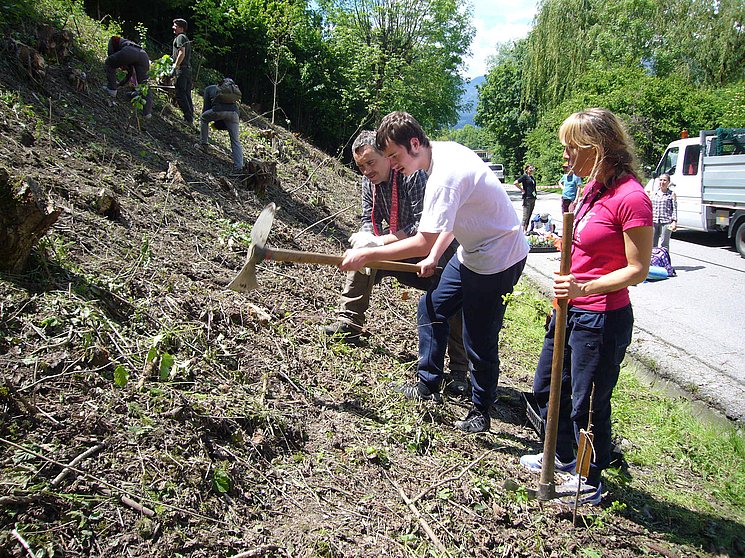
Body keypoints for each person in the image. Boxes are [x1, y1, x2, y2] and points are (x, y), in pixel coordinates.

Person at [340, 112, 529, 433]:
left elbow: (421, 239)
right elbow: (448, 222)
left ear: (414, 143)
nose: (392, 164)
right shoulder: (437, 154)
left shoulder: (444, 175)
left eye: (394, 156)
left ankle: (481, 409)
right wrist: (438, 255)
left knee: (479, 338)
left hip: (500, 257)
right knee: (431, 306)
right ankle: (428, 383)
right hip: (471, 250)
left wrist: (369, 253)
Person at [519, 108, 653, 505]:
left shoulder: (632, 197)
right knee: (547, 388)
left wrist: (584, 287)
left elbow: (638, 269)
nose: (564, 157)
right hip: (571, 309)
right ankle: (561, 455)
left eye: (570, 149)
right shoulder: (591, 189)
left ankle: (588, 478)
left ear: (598, 149)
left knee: (588, 403)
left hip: (602, 315)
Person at [323, 131, 470, 395]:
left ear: (386, 156)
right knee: (364, 262)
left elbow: (420, 226)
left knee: (451, 301)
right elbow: (368, 217)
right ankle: (349, 322)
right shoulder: (369, 183)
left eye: (371, 162)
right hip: (398, 247)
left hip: (435, 250)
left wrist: (381, 243)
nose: (366, 171)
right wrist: (369, 240)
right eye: (360, 166)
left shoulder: (413, 176)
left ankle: (459, 369)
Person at [197, 79, 243, 171]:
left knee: (203, 118)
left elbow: (206, 109)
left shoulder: (209, 89)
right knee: (235, 141)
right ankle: (239, 166)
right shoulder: (231, 92)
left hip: (218, 111)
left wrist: (213, 124)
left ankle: (203, 144)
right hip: (234, 114)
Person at [103, 36, 153, 119]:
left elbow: (111, 57)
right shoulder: (126, 43)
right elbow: (129, 74)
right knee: (144, 83)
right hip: (144, 55)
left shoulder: (113, 39)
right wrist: (120, 84)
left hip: (130, 51)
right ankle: (147, 113)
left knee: (109, 62)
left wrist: (116, 61)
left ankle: (111, 89)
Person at [171, 18, 193, 125]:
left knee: (180, 94)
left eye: (175, 26)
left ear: (181, 28)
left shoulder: (180, 37)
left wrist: (175, 66)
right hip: (187, 69)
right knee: (187, 93)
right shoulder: (185, 38)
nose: (173, 28)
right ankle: (190, 117)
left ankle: (187, 118)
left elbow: (181, 53)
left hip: (182, 70)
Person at [651, 173, 677, 250]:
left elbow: (674, 208)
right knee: (653, 243)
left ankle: (664, 261)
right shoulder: (654, 193)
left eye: (665, 180)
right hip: (654, 221)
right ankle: (653, 261)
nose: (662, 182)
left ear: (668, 182)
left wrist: (674, 221)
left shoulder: (672, 194)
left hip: (666, 222)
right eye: (661, 180)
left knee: (664, 244)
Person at [514, 164, 537, 232]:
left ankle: (526, 230)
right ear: (527, 170)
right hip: (527, 198)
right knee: (525, 215)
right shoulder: (525, 176)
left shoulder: (532, 178)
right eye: (530, 168)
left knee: (529, 214)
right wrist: (522, 190)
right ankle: (521, 231)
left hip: (533, 198)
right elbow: (515, 183)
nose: (531, 169)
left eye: (532, 168)